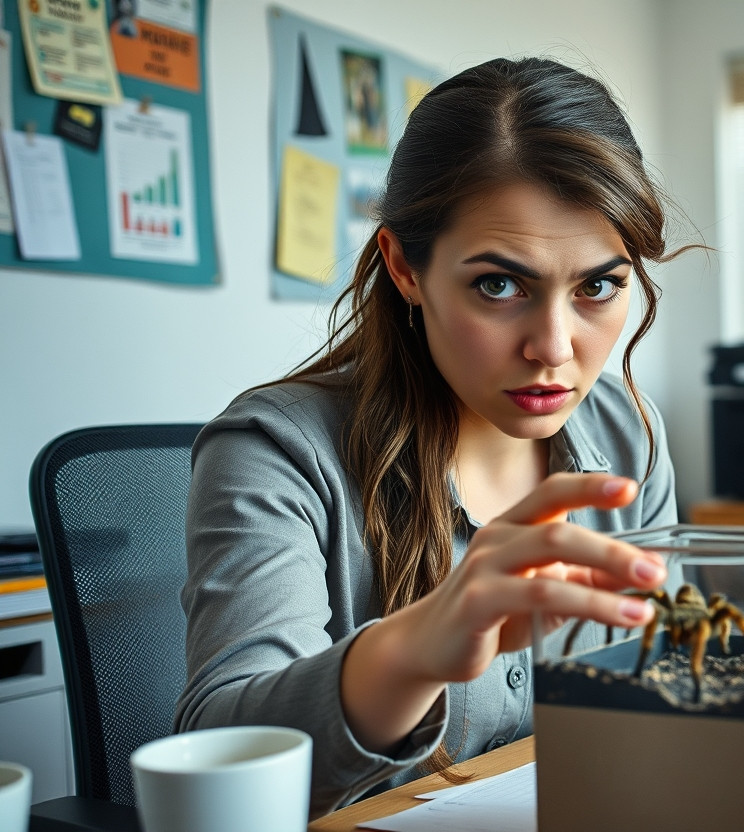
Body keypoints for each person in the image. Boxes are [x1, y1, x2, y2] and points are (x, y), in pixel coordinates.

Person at [175, 58, 689, 817]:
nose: (553, 346)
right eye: (499, 284)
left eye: (598, 286)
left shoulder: (628, 431)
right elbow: (222, 751)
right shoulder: (276, 452)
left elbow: (669, 682)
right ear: (404, 267)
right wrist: (413, 649)